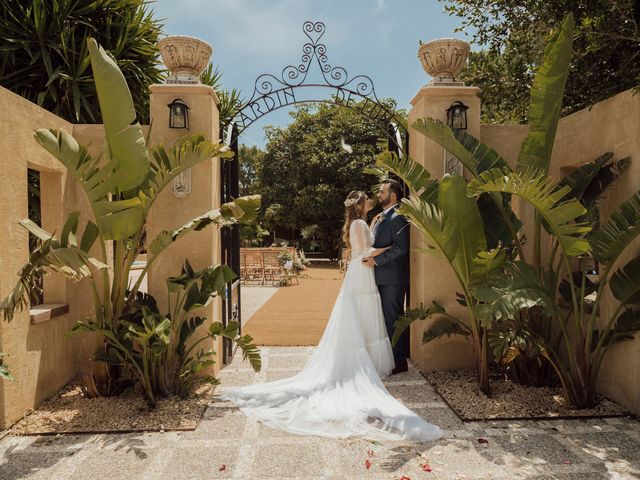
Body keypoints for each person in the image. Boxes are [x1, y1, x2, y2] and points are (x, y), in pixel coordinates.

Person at [219, 191, 442, 443]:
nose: (372, 200)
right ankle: (366, 362)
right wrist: (385, 248)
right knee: (362, 313)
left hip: (365, 270)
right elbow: (365, 249)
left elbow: (366, 246)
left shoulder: (365, 221)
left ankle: (371, 359)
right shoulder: (359, 223)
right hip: (362, 270)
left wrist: (377, 244)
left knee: (367, 314)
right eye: (368, 198)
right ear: (360, 205)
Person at [362, 179, 410, 374]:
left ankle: (399, 362)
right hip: (381, 277)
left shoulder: (398, 216)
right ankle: (389, 359)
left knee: (393, 319)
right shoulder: (382, 217)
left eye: (382, 192)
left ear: (393, 195)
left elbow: (401, 247)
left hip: (393, 279)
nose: (379, 195)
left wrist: (377, 261)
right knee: (384, 320)